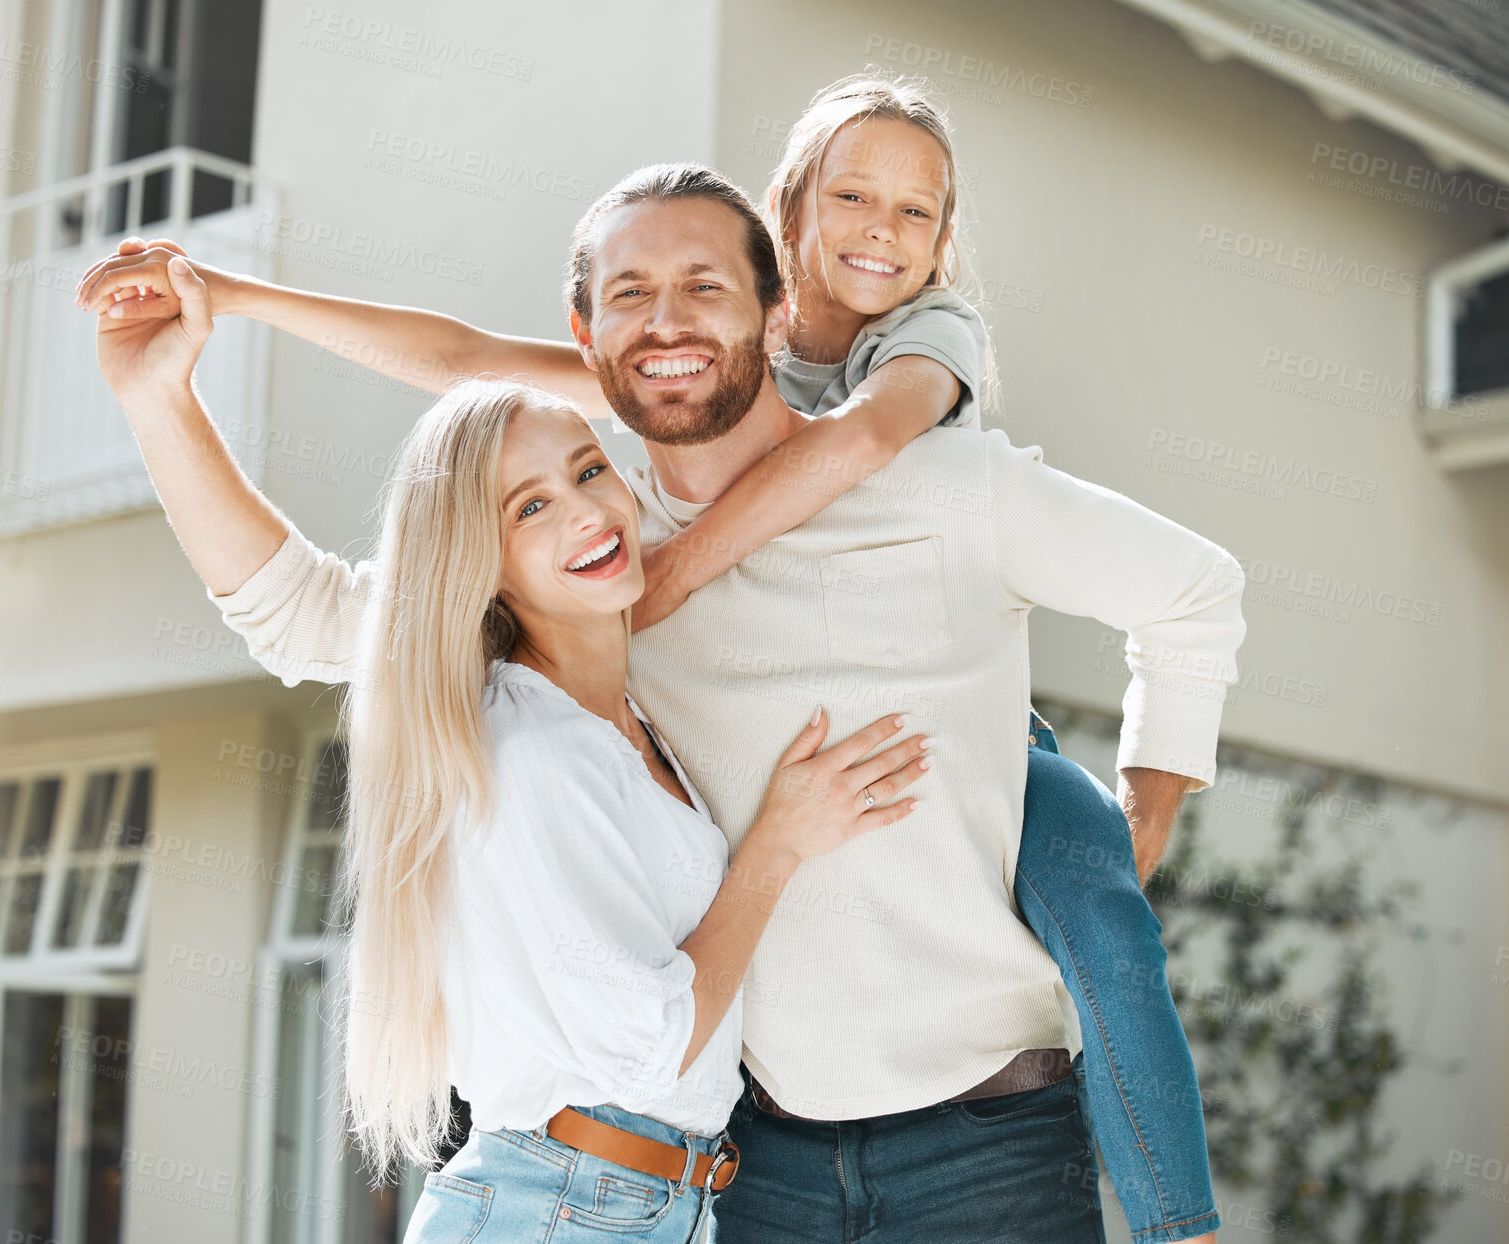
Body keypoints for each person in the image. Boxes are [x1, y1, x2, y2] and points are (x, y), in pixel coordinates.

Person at [79, 158, 1244, 1241]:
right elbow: (300, 610)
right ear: (587, 339)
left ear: (775, 310)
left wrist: (1138, 823)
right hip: (751, 1159)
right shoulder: (592, 565)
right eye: (631, 292)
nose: (670, 320)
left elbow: (1196, 593)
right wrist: (161, 399)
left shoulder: (937, 485)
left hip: (987, 1140)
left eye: (703, 283)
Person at [89, 277, 939, 1238]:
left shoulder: (627, 708)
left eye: (586, 471)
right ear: (476, 560)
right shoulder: (529, 745)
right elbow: (651, 1048)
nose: (583, 513)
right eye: (527, 508)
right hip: (568, 1207)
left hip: (646, 1204)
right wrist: (776, 846)